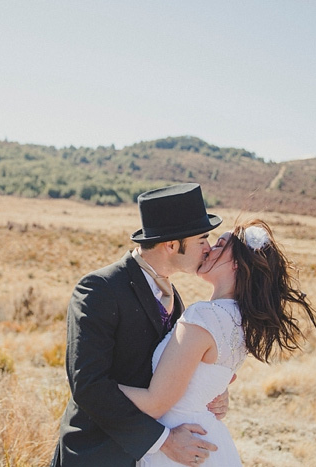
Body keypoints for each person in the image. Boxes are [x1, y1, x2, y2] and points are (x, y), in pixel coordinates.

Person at [50, 183, 227, 466]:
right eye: (201, 239)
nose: (208, 248)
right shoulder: (99, 289)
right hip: (97, 452)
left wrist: (212, 392)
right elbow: (88, 386)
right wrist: (163, 441)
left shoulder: (175, 298)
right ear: (171, 245)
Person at [119, 219, 316, 466]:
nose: (208, 249)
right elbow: (204, 379)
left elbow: (155, 403)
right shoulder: (240, 321)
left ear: (236, 264)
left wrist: (93, 389)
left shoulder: (204, 317)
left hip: (180, 445)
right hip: (206, 440)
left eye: (220, 244)